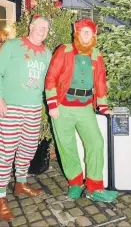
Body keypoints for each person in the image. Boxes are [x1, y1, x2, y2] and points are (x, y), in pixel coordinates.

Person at [45, 19, 118, 202]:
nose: (87, 35)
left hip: (85, 107)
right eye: (83, 32)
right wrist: (52, 104)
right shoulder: (65, 50)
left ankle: (94, 187)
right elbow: (51, 77)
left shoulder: (96, 54)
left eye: (90, 32)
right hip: (62, 107)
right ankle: (75, 183)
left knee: (96, 142)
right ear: (76, 32)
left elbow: (100, 81)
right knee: (66, 146)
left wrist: (103, 106)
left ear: (94, 35)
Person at [0, 15, 52, 221]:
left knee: (28, 148)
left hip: (34, 109)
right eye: (39, 27)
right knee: (6, 152)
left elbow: (52, 80)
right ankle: (0, 196)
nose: (42, 31)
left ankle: (21, 183)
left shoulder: (47, 53)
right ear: (30, 26)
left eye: (46, 28)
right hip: (10, 107)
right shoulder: (12, 45)